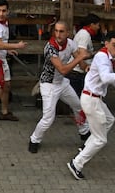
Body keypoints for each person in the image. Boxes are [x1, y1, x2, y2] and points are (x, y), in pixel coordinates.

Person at [67, 31, 115, 180]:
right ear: (106, 44)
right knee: (101, 140)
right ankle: (77, 163)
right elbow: (106, 77)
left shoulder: (106, 56)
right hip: (92, 100)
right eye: (114, 45)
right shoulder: (102, 57)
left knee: (109, 120)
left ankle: (87, 146)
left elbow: (111, 78)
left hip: (94, 98)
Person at [28, 21, 90, 154]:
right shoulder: (50, 47)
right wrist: (80, 59)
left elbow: (80, 60)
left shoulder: (71, 43)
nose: (58, 34)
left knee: (78, 106)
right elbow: (63, 69)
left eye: (61, 31)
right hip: (49, 85)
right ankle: (34, 140)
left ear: (68, 33)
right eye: (56, 31)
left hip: (61, 83)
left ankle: (84, 133)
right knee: (48, 118)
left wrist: (87, 67)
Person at [65, 13, 100, 97]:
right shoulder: (85, 35)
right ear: (92, 25)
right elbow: (81, 54)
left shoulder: (84, 33)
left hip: (77, 72)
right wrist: (93, 54)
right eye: (98, 25)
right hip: (77, 72)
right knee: (79, 100)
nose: (98, 28)